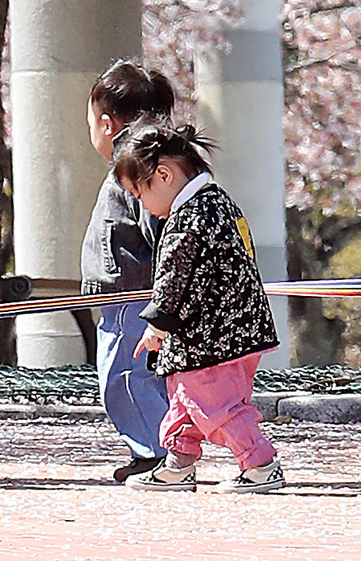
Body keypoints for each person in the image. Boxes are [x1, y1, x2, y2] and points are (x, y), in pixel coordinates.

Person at [112, 119, 283, 494]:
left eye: (140, 194)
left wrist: (156, 325)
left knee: (216, 406)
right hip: (238, 330)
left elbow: (175, 276)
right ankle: (178, 463)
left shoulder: (188, 217)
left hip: (211, 339)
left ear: (163, 175)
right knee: (186, 402)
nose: (145, 207)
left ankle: (259, 463)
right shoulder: (220, 202)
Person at [82, 58, 176, 482]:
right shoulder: (156, 166)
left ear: (105, 123)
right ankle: (157, 449)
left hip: (130, 296)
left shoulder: (134, 172)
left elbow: (159, 228)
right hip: (138, 296)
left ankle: (158, 452)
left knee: (124, 377)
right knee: (145, 377)